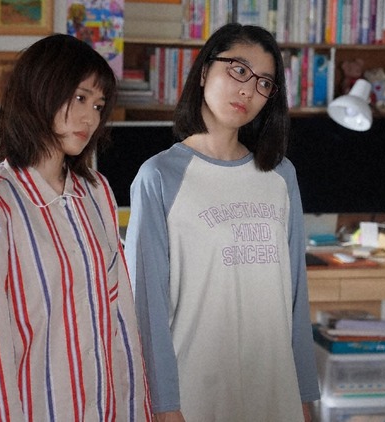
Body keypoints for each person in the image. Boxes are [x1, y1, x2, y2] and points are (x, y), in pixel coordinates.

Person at [124, 23, 320, 421]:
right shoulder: (159, 176)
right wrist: (163, 406)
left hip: (275, 391)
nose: (248, 90)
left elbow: (297, 297)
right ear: (203, 72)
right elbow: (147, 307)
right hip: (195, 395)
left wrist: (304, 396)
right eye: (239, 70)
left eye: (264, 82)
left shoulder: (280, 176)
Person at [0, 34, 152, 421]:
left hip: (105, 408)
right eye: (80, 98)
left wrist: (136, 410)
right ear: (39, 91)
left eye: (98, 105)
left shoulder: (97, 191)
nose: (91, 118)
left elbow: (120, 316)